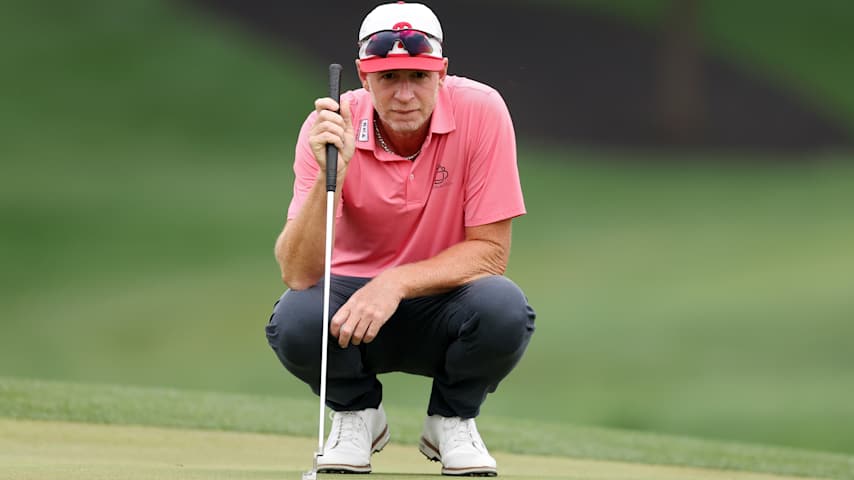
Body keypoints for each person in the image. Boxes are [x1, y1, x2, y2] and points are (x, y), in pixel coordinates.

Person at [265, 1, 535, 476]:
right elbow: (297, 271)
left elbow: (491, 253)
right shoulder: (328, 127)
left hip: (445, 304)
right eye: (389, 78)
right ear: (364, 77)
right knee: (294, 318)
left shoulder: (482, 111)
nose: (404, 94)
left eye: (418, 76)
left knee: (504, 308)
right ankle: (356, 414)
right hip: (349, 317)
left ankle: (451, 419)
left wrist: (394, 283)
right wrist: (333, 175)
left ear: (442, 73)